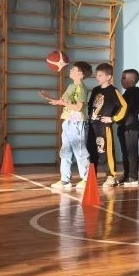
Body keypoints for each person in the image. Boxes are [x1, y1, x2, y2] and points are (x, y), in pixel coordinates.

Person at [42, 61, 92, 190]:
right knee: (65, 151)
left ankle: (87, 179)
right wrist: (52, 99)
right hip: (68, 121)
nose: (70, 70)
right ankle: (65, 180)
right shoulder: (71, 86)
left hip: (77, 122)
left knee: (80, 151)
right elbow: (63, 101)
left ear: (81, 74)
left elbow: (79, 107)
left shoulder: (81, 88)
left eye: (74, 69)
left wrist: (62, 103)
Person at [86, 62, 127, 188]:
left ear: (108, 77)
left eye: (100, 75)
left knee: (104, 151)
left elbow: (124, 106)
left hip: (104, 127)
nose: (97, 77)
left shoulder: (113, 91)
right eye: (96, 75)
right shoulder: (95, 90)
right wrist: (90, 116)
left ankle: (111, 176)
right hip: (93, 125)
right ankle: (91, 175)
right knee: (91, 151)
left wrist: (113, 118)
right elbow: (90, 105)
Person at [117, 68, 139, 187]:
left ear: (132, 80)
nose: (121, 80)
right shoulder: (127, 93)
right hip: (124, 126)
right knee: (125, 152)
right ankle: (126, 175)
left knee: (131, 152)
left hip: (132, 127)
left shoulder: (134, 92)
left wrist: (135, 111)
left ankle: (133, 177)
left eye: (124, 78)